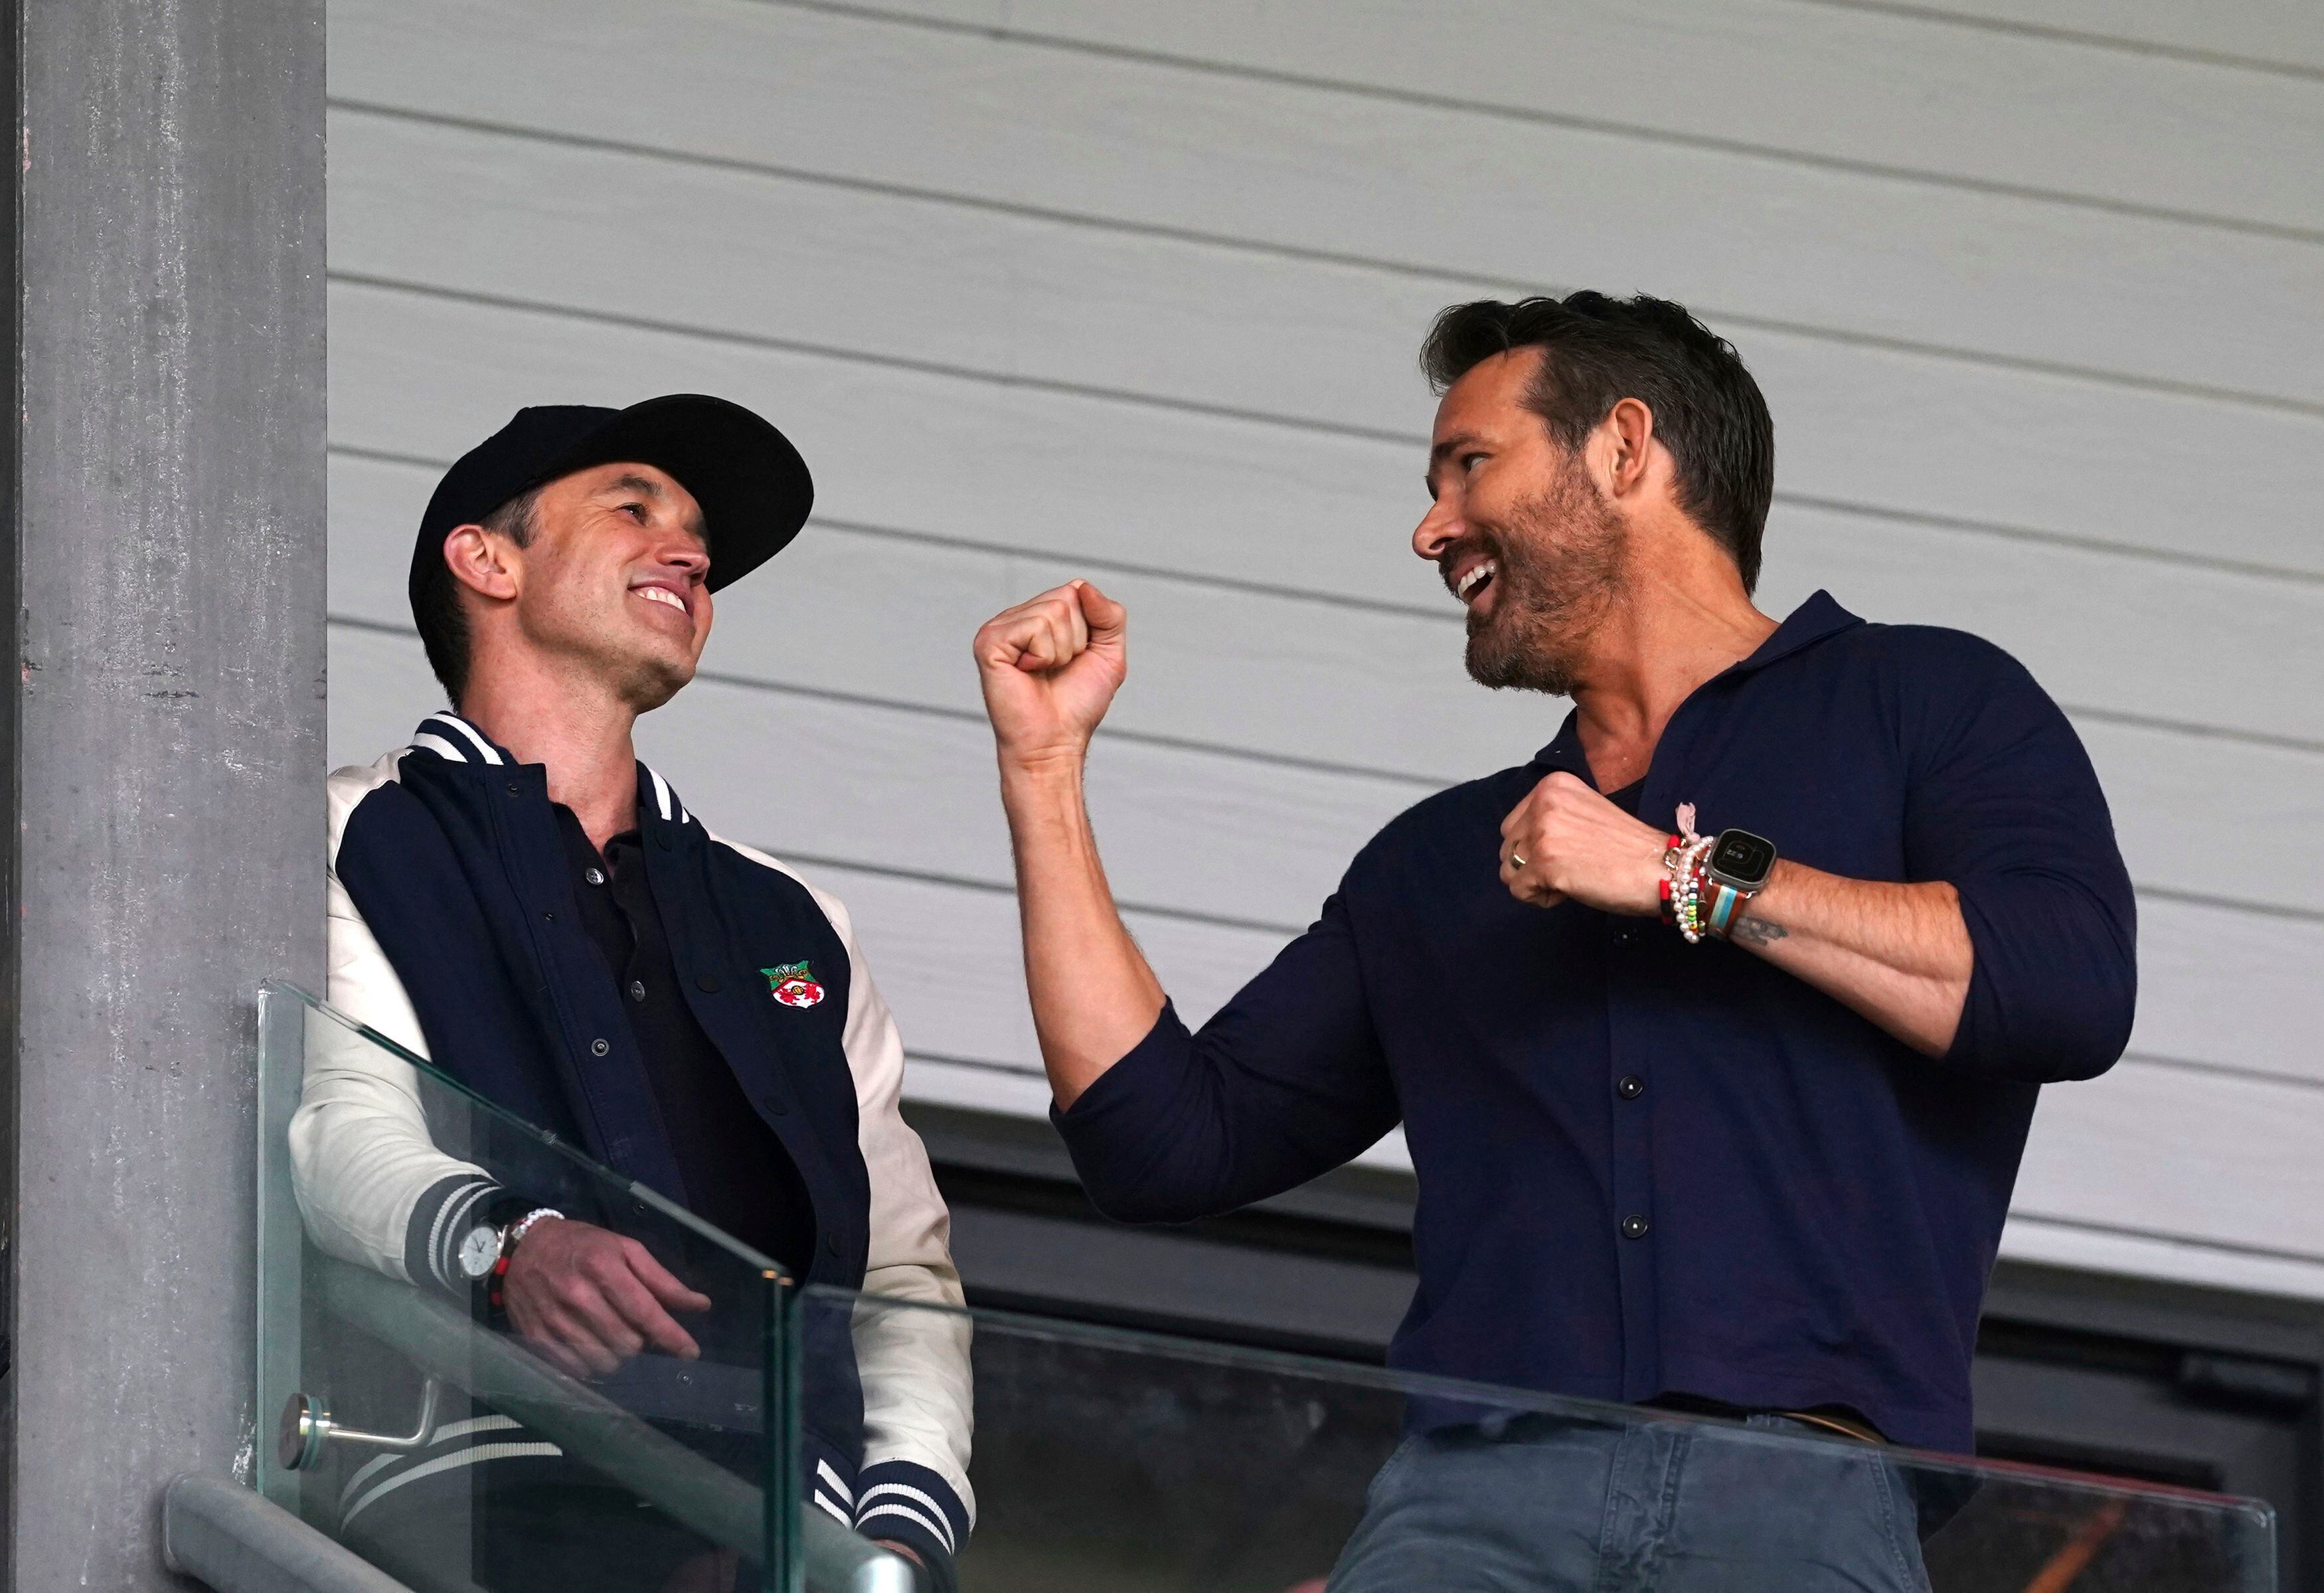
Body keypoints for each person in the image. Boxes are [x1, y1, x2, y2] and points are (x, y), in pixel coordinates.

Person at [970, 294, 2135, 1590]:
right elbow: (1158, 1144)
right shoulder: (1440, 860)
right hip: (1464, 1514)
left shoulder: (1927, 700)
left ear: (1624, 450)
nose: (1429, 528)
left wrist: (1681, 876)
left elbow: (2065, 987)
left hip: (1803, 1509)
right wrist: (1042, 767)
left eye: (1469, 465)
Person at [294, 398, 973, 1591]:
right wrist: (512, 1247)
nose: (693, 553)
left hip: (783, 1536)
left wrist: (899, 1527)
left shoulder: (792, 919)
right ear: (486, 558)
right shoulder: (355, 829)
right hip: (475, 1510)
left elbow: (903, 1272)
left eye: (700, 538)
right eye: (634, 507)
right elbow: (338, 1120)